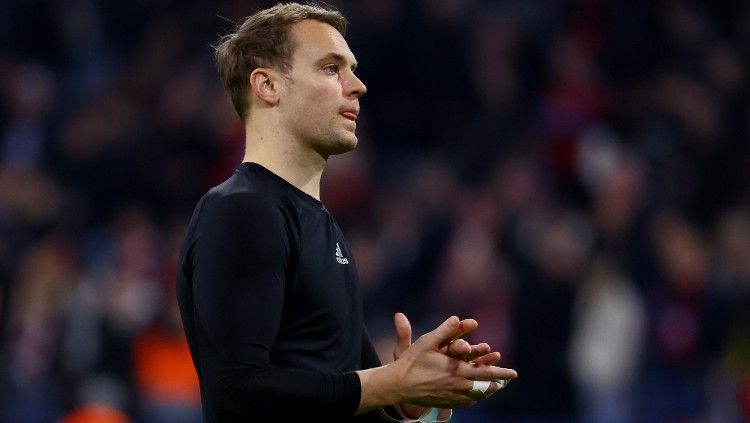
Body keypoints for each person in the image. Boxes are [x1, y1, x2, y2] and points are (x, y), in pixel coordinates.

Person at [175, 3, 517, 421]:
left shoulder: (323, 226)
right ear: (267, 86)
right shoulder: (241, 210)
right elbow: (237, 392)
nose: (357, 86)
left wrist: (411, 401)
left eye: (351, 68)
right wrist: (391, 382)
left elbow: (347, 395)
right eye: (331, 68)